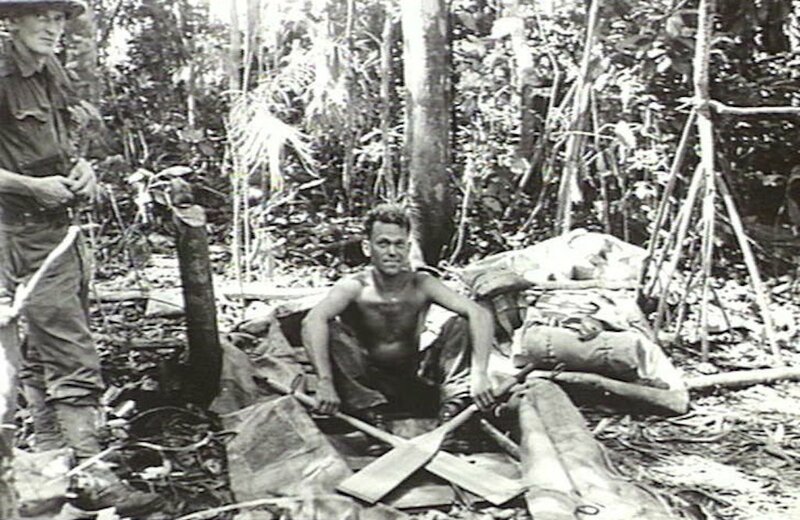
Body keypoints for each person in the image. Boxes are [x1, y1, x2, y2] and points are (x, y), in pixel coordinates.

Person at [0, 1, 162, 516]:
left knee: (52, 350)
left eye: (59, 18)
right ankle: (85, 476)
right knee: (41, 355)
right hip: (9, 233)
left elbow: (67, 142)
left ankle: (63, 465)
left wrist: (83, 170)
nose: (53, 27)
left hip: (54, 230)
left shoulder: (50, 70)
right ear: (12, 21)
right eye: (41, 16)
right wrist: (30, 186)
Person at [302, 203, 496, 453]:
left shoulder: (421, 283)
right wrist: (325, 381)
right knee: (330, 329)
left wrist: (480, 374)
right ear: (367, 247)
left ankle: (453, 415)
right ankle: (373, 419)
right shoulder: (354, 287)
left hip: (412, 377)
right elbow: (312, 321)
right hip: (366, 383)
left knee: (461, 322)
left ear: (408, 247)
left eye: (399, 244)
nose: (392, 252)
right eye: (383, 244)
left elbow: (479, 313)